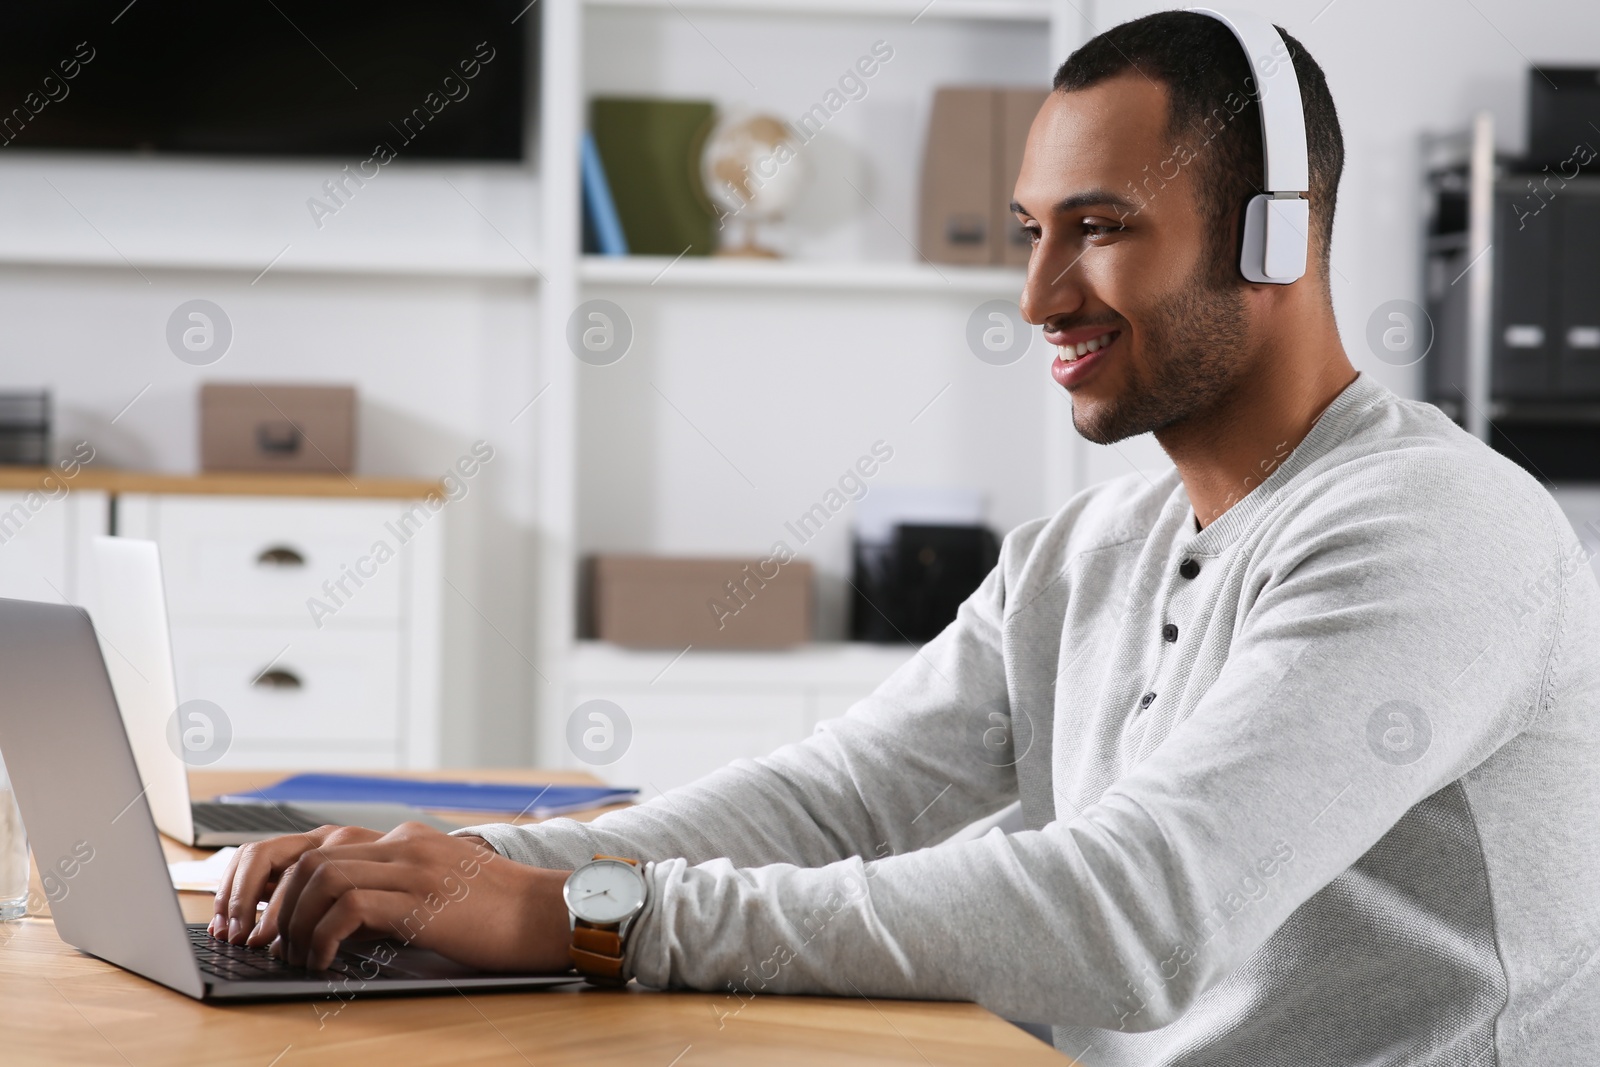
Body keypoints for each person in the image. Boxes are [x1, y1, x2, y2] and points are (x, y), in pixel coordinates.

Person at [210, 12, 1600, 1064]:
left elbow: (1136, 916)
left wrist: (591, 919)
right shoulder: (1086, 552)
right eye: (1031, 231)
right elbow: (833, 803)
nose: (1040, 294)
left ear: (1277, 237)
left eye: (1101, 229)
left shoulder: (1438, 530)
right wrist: (471, 870)